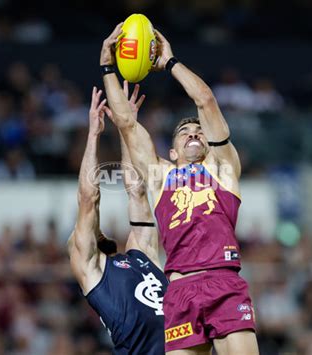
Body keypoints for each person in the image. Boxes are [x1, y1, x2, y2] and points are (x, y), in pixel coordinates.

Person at [101, 24, 259, 355]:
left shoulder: (223, 168)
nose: (193, 134)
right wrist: (107, 67)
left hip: (223, 281)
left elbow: (205, 100)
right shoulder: (160, 177)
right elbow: (126, 122)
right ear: (171, 152)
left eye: (198, 132)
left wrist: (170, 62)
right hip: (180, 289)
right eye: (184, 132)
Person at [68, 85, 168, 355]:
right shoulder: (94, 272)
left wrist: (127, 126)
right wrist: (93, 134)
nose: (79, 236)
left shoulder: (141, 254)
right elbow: (88, 198)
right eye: (77, 237)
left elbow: (136, 190)